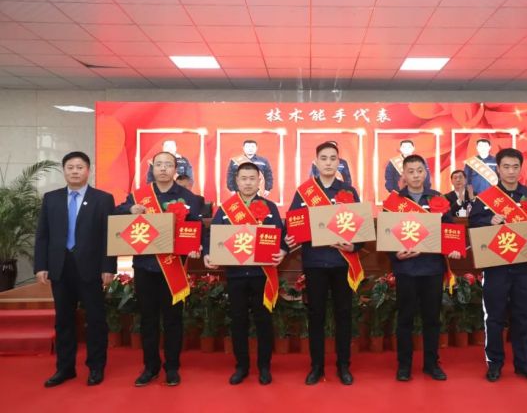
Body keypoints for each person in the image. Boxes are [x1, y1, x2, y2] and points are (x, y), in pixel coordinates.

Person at [116, 151, 201, 387]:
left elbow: (196, 229)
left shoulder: (188, 197)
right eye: (159, 164)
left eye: (168, 165)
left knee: (173, 320)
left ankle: (172, 367)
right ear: (152, 169)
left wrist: (196, 246)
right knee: (148, 320)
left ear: (176, 169)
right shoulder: (138, 196)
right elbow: (116, 213)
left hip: (173, 268)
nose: (163, 169)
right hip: (145, 266)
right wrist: (130, 210)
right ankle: (150, 367)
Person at [34, 151, 117, 387]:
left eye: (79, 167)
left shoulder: (103, 199)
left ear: (88, 171)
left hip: (91, 268)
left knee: (95, 320)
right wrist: (41, 265)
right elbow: (43, 235)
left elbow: (109, 235)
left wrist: (108, 266)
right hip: (60, 268)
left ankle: (96, 367)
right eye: (70, 167)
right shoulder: (51, 198)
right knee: (63, 321)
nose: (75, 171)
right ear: (64, 171)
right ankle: (65, 368)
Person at [286, 141, 363, 386]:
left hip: (342, 262)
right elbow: (293, 223)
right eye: (324, 158)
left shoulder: (349, 191)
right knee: (316, 315)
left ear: (339, 162)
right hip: (315, 263)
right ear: (316, 162)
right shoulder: (304, 192)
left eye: (333, 158)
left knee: (343, 315)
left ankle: (343, 366)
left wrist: (354, 246)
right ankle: (317, 366)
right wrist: (291, 235)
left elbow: (360, 226)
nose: (328, 163)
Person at [203, 162, 287, 386]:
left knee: (263, 320)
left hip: (262, 274)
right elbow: (213, 236)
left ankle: (264, 367)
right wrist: (208, 253)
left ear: (259, 181)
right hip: (236, 275)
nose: (248, 183)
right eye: (244, 178)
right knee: (238, 320)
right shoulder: (226, 209)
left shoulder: (270, 207)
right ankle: (241, 366)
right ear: (236, 181)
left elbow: (281, 235)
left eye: (252, 178)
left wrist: (282, 250)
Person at [469, 148, 527, 384]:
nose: (511, 171)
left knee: (524, 316)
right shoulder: (486, 198)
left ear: (521, 169)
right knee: (494, 317)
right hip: (496, 267)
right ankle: (495, 363)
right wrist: (488, 220)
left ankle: (523, 364)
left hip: (524, 266)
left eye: (515, 167)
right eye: (506, 167)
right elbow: (473, 225)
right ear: (498, 169)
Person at [383, 155, 461, 382]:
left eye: (419, 171)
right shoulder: (394, 202)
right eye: (411, 171)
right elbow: (386, 234)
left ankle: (431, 364)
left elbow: (449, 229)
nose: (416, 175)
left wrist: (454, 248)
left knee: (432, 319)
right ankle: (404, 365)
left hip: (432, 268)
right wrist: (394, 254)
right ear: (403, 175)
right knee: (405, 319)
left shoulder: (437, 198)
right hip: (406, 269)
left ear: (425, 173)